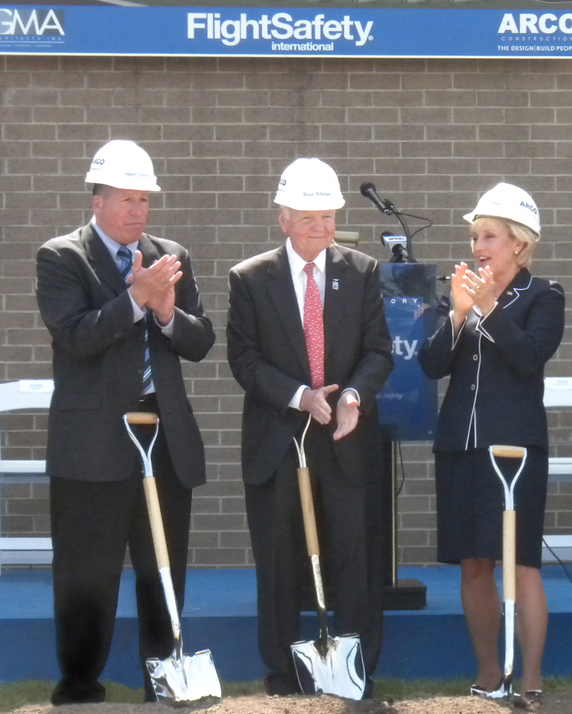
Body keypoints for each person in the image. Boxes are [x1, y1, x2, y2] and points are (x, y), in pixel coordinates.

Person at [35, 139, 215, 704]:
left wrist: (166, 311)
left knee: (162, 571)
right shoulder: (62, 257)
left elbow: (201, 341)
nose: (139, 211)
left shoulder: (170, 254)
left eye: (145, 199)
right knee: (86, 575)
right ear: (98, 201)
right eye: (127, 199)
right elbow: (75, 337)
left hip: (163, 440)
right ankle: (81, 688)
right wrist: (135, 300)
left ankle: (162, 682)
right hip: (91, 445)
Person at [226, 158, 394, 698]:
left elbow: (378, 353)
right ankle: (282, 676)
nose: (320, 227)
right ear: (283, 219)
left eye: (327, 215)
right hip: (279, 441)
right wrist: (301, 397)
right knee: (278, 563)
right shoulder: (251, 279)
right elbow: (244, 360)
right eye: (308, 217)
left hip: (345, 442)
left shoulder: (362, 271)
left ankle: (354, 673)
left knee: (354, 559)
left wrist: (350, 396)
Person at [418, 183, 565, 702]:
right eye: (476, 236)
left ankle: (530, 679)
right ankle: (488, 674)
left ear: (519, 244)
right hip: (460, 444)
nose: (479, 246)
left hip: (516, 450)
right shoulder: (459, 292)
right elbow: (431, 364)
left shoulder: (545, 296)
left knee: (521, 561)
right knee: (474, 563)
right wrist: (459, 313)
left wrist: (489, 309)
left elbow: (530, 357)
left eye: (490, 237)